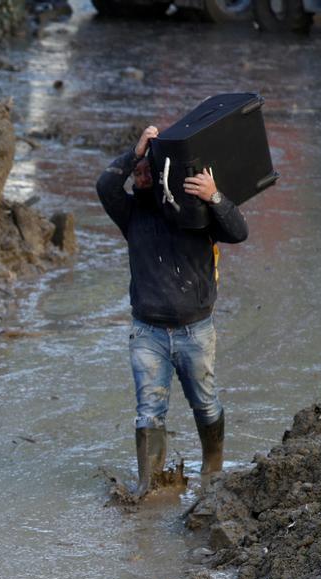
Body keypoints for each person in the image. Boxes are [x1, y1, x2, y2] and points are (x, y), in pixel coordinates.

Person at [97, 125, 248, 497]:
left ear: (164, 170)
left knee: (205, 401)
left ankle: (212, 469)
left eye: (149, 168)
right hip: (147, 331)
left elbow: (239, 231)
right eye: (138, 172)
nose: (142, 175)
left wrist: (215, 198)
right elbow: (105, 186)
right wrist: (135, 153)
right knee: (149, 411)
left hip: (195, 329)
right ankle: (149, 485)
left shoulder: (193, 208)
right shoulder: (130, 213)